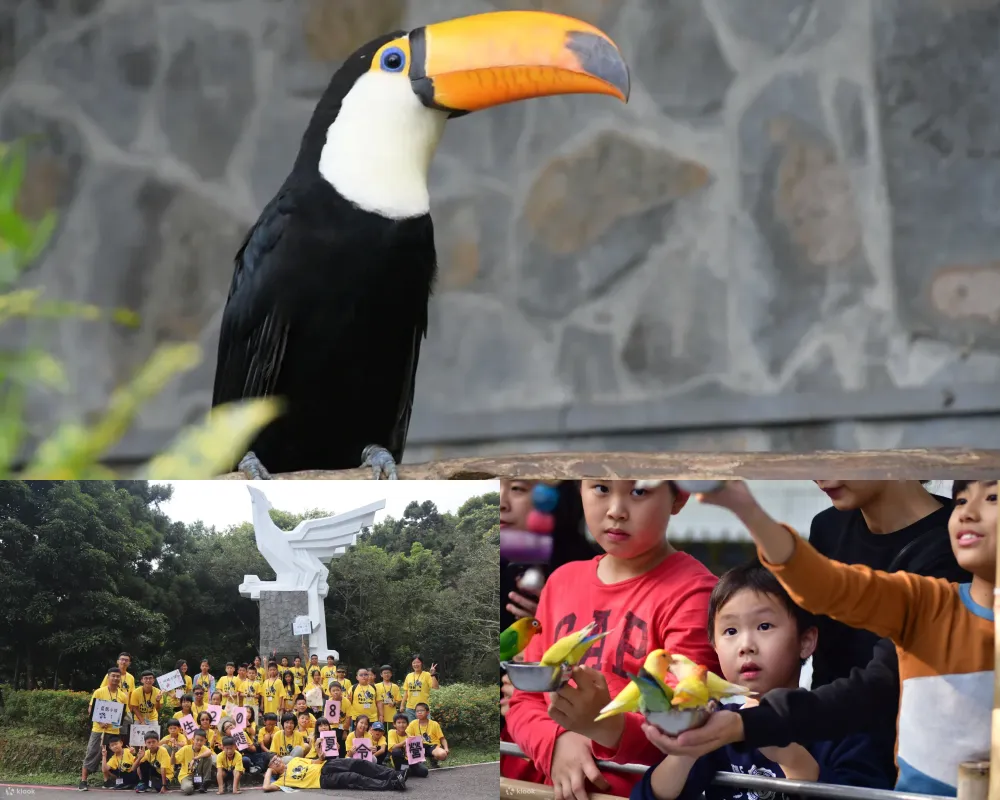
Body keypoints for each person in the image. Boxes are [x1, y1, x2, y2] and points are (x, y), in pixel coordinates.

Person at [691, 479, 995, 796]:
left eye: (992, 497)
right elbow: (825, 585)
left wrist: (760, 724)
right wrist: (747, 509)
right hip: (858, 765)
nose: (967, 513)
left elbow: (876, 686)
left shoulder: (935, 574)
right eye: (960, 500)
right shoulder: (926, 599)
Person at [506, 480, 721, 800]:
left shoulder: (695, 594)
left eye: (639, 492)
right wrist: (555, 742)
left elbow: (691, 723)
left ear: (680, 496)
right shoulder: (561, 581)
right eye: (601, 488)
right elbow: (524, 700)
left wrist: (603, 726)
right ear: (579, 488)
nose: (616, 511)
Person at [632, 560, 895, 800]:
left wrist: (786, 753)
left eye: (764, 626)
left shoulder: (842, 727)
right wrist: (687, 751)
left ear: (805, 641)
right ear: (713, 645)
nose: (746, 645)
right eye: (730, 631)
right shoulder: (716, 724)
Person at [80, 666, 132, 791]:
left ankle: (107, 781)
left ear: (120, 678)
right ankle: (83, 781)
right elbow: (90, 710)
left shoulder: (123, 696)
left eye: (117, 676)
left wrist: (118, 722)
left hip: (114, 731)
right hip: (98, 730)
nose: (115, 678)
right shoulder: (99, 692)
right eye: (113, 676)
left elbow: (125, 714)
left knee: (110, 757)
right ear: (108, 677)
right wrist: (100, 721)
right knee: (92, 754)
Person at [261, 753, 407, 792]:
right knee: (354, 778)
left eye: (276, 758)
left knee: (358, 763)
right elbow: (266, 787)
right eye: (272, 762)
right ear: (271, 768)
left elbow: (316, 762)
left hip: (326, 766)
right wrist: (268, 771)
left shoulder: (293, 761)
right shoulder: (282, 781)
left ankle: (394, 774)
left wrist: (321, 756)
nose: (277, 761)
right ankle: (393, 784)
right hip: (322, 781)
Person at [405, 703, 448, 767]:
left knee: (442, 754)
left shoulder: (434, 724)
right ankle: (419, 761)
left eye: (422, 710)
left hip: (432, 746)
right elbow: (407, 736)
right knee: (419, 766)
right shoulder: (413, 723)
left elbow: (442, 738)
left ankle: (433, 759)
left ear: (427, 712)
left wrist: (446, 748)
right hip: (418, 746)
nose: (419, 712)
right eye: (417, 711)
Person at [175, 728, 213, 795]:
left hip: (198, 773)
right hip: (187, 775)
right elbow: (175, 761)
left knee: (208, 757)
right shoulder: (185, 748)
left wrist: (195, 758)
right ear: (193, 739)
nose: (199, 742)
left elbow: (209, 752)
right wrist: (173, 751)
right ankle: (193, 785)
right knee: (188, 789)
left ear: (205, 741)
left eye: (201, 740)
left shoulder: (204, 748)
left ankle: (205, 782)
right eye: (197, 740)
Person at [400, 656, 438, 722]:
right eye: (414, 663)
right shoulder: (409, 676)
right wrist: (402, 705)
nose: (416, 664)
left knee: (425, 729)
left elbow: (436, 687)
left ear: (421, 663)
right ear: (411, 664)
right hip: (410, 708)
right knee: (412, 730)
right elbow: (406, 692)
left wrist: (433, 674)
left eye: (418, 662)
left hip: (423, 708)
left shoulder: (427, 675)